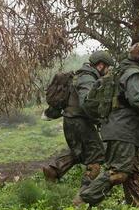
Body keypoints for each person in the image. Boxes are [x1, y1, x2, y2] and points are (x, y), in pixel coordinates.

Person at [78, 42, 139, 207]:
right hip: (123, 129)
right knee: (119, 172)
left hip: (125, 129)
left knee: (131, 172)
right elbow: (137, 99)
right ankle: (84, 199)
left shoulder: (127, 71)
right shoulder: (133, 74)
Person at [42, 50, 115, 184]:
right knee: (97, 156)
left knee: (79, 152)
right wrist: (99, 119)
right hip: (80, 122)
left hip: (71, 120)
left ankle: (53, 170)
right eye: (107, 67)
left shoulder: (80, 75)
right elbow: (86, 103)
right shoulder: (87, 78)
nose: (107, 70)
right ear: (100, 65)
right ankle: (86, 193)